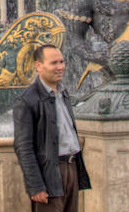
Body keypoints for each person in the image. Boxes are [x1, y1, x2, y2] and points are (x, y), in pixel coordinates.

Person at [13, 43, 91, 211]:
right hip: (50, 173)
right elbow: (23, 147)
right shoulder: (27, 100)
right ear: (38, 66)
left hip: (72, 167)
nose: (60, 67)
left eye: (61, 62)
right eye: (54, 63)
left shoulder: (63, 93)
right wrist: (36, 186)